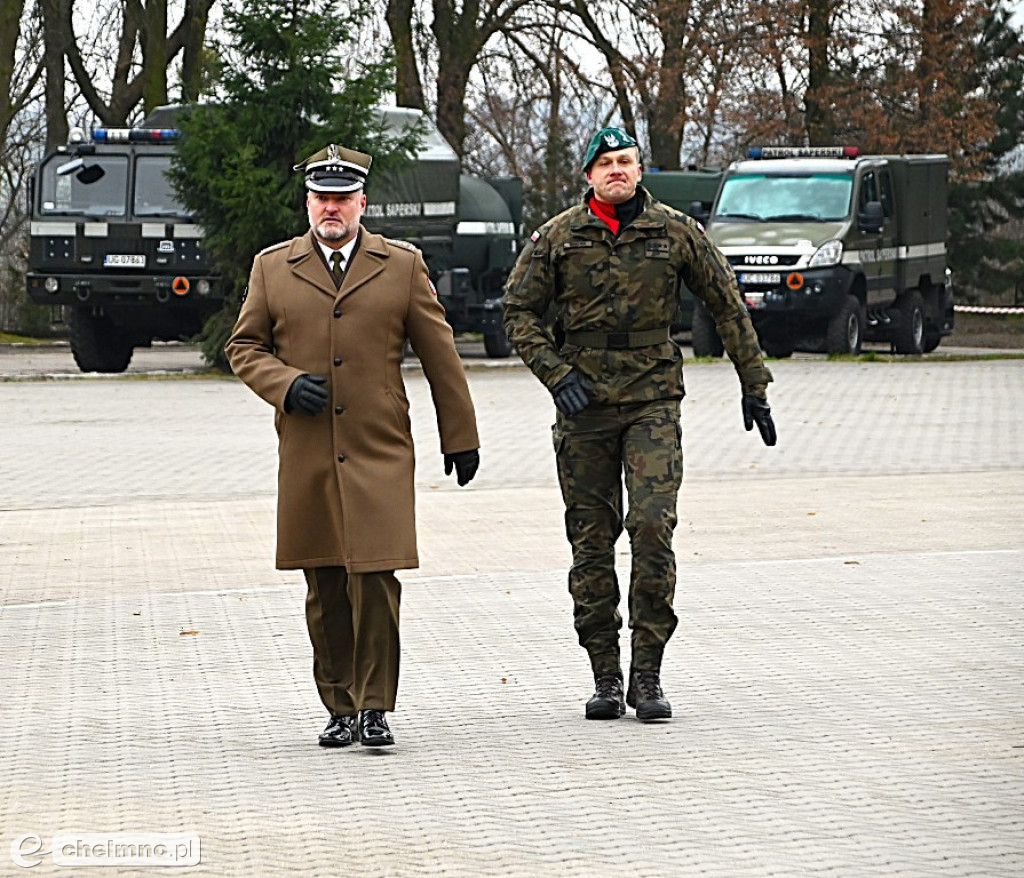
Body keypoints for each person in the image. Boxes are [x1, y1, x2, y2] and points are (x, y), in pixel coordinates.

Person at [503, 127, 777, 723]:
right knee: (591, 542)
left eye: (626, 160)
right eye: (605, 163)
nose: (617, 170)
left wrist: (753, 383)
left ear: (639, 169)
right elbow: (518, 312)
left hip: (653, 399)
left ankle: (647, 672)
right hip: (583, 407)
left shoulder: (676, 232)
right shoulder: (558, 237)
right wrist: (555, 373)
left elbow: (726, 304)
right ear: (588, 176)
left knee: (652, 526)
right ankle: (604, 674)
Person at [226, 143, 480, 748]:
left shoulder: (400, 265)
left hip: (378, 446)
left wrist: (461, 436)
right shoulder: (273, 268)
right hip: (309, 448)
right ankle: (338, 705)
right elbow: (243, 348)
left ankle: (374, 706)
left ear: (362, 203)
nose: (331, 208)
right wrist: (285, 386)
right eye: (321, 198)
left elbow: (441, 355)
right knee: (324, 584)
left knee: (376, 578)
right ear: (307, 203)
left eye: (342, 198)